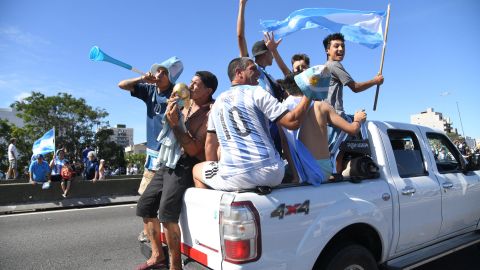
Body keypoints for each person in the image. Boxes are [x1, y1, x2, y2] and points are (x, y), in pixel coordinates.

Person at [135, 71, 217, 270]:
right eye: (191, 81)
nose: (190, 86)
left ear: (208, 90)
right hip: (169, 161)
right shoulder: (185, 104)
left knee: (167, 214)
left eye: (196, 84)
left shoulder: (210, 112)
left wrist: (176, 125)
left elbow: (193, 149)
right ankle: (157, 255)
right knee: (145, 206)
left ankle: (175, 265)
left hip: (186, 164)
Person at [192, 57, 312, 191]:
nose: (259, 73)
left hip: (236, 177)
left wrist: (217, 175)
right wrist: (309, 93)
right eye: (253, 69)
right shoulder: (258, 92)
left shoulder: (218, 102)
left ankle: (214, 205)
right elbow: (293, 122)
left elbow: (210, 145)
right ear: (239, 73)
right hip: (272, 173)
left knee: (197, 169)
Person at [279, 72, 367, 182]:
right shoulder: (321, 106)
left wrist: (296, 176)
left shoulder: (281, 112)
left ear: (287, 91)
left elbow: (285, 145)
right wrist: (358, 119)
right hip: (323, 170)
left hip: (299, 168)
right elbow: (353, 130)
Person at [118, 56, 183, 195]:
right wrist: (141, 79)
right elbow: (122, 85)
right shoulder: (150, 90)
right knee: (145, 200)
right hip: (152, 156)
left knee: (160, 204)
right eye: (158, 71)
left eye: (163, 73)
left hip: (169, 157)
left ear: (170, 78)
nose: (158, 74)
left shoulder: (176, 95)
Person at [323, 33, 384, 117]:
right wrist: (375, 81)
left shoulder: (325, 67)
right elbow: (355, 87)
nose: (341, 49)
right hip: (335, 117)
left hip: (327, 116)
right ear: (327, 50)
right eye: (336, 46)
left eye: (343, 46)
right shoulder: (334, 65)